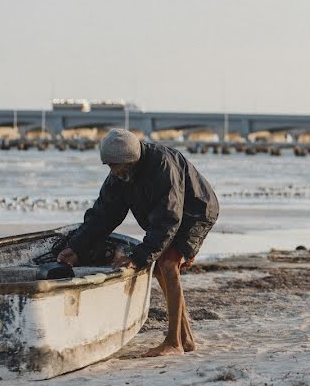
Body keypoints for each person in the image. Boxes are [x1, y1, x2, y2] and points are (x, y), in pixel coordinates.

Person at [57, 129, 220, 356]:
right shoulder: (119, 175)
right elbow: (103, 215)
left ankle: (174, 342)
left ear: (129, 161)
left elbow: (167, 219)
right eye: (108, 166)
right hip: (170, 216)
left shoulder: (162, 166)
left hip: (195, 211)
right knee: (160, 268)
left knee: (167, 264)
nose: (112, 171)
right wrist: (76, 247)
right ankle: (186, 338)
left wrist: (137, 258)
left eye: (114, 165)